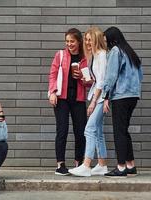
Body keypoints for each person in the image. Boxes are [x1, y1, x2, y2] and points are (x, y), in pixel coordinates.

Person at [102, 26, 143, 177]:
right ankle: (131, 165)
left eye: (106, 41)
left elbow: (111, 76)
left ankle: (120, 167)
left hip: (120, 96)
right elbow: (140, 76)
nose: (106, 44)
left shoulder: (115, 51)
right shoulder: (131, 53)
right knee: (124, 130)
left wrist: (106, 95)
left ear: (112, 40)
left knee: (119, 131)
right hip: (133, 96)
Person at [69, 27, 108, 177]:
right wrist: (88, 79)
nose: (87, 42)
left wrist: (93, 102)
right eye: (86, 39)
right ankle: (102, 165)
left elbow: (102, 82)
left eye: (90, 39)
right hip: (97, 95)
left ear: (97, 39)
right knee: (97, 131)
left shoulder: (102, 55)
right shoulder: (95, 56)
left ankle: (86, 165)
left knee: (89, 129)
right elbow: (97, 79)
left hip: (99, 98)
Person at [48, 28, 88, 175]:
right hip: (61, 98)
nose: (69, 44)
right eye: (67, 41)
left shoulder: (85, 58)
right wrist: (52, 92)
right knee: (62, 130)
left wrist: (82, 79)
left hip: (78, 98)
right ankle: (60, 164)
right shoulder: (60, 55)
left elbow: (90, 82)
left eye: (72, 41)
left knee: (80, 132)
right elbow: (52, 75)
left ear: (79, 42)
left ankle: (79, 163)